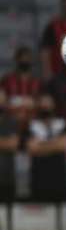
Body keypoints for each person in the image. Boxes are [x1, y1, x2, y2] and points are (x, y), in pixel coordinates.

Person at [27, 93, 66, 205]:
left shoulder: (62, 123)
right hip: (39, 177)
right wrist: (55, 144)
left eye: (48, 102)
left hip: (59, 177)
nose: (45, 106)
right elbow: (32, 149)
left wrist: (41, 146)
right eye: (43, 102)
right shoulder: (32, 125)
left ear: (54, 105)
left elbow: (64, 145)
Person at [1, 46, 41, 132]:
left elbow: (42, 101)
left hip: (32, 121)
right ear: (16, 60)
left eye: (27, 59)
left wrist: (31, 104)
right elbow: (2, 101)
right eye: (22, 59)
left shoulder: (37, 82)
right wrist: (15, 106)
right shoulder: (7, 80)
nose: (25, 62)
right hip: (11, 119)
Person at [0, 90, 18, 221]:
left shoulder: (11, 121)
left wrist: (7, 143)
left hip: (6, 176)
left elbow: (13, 144)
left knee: (8, 216)